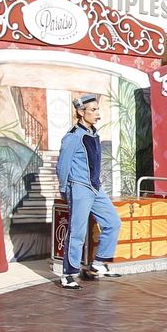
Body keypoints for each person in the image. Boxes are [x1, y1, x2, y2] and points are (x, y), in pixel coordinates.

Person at [55, 93, 121, 289]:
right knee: (77, 232)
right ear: (80, 112)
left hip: (95, 188)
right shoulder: (73, 137)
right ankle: (68, 274)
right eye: (93, 110)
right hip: (79, 188)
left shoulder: (93, 134)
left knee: (113, 222)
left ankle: (97, 264)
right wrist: (64, 189)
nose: (97, 114)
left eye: (97, 109)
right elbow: (62, 166)